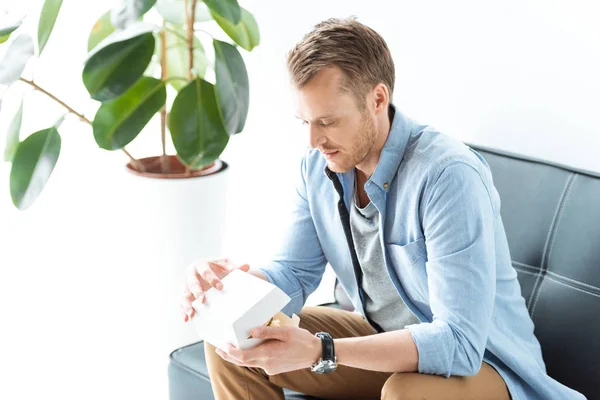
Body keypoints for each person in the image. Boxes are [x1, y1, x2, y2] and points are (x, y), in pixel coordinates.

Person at [180, 18, 586, 400]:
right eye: (303, 121)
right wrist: (231, 291)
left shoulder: (448, 175)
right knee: (234, 342)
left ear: (378, 98)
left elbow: (458, 342)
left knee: (406, 392)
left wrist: (322, 350)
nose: (312, 141)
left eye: (328, 121)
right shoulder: (318, 167)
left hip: (484, 366)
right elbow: (293, 272)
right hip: (385, 340)